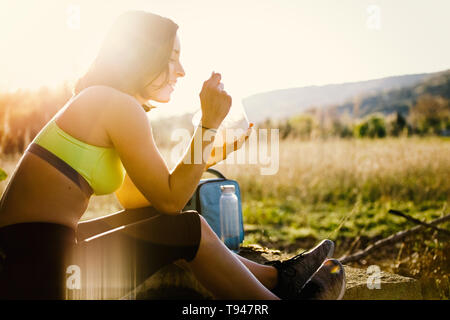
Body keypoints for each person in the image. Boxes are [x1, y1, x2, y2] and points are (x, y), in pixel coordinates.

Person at [0, 10, 345, 300]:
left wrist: (205, 157)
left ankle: (276, 278)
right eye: (173, 58)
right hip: (34, 272)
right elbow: (171, 203)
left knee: (162, 221)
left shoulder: (106, 101)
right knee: (187, 227)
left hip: (33, 259)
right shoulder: (115, 104)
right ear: (143, 57)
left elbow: (145, 202)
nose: (181, 71)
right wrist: (207, 125)